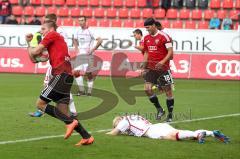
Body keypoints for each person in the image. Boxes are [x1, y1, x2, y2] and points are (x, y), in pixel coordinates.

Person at [25, 21, 94, 146]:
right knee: (63, 112)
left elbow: (34, 53)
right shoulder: (55, 42)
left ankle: (70, 122)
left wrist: (31, 43)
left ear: (51, 29)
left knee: (40, 104)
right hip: (67, 77)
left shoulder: (52, 35)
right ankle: (86, 136)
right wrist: (29, 43)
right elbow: (34, 59)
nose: (41, 31)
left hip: (60, 75)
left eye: (43, 28)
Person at [29, 14, 77, 118]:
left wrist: (32, 46)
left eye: (45, 24)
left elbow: (38, 51)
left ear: (53, 23)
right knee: (61, 91)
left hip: (59, 64)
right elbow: (42, 55)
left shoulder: (55, 33)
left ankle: (42, 108)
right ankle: (72, 116)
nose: (41, 31)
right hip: (60, 62)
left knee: (49, 87)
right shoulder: (57, 34)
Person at [106, 115, 230, 144]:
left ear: (119, 120)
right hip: (157, 126)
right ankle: (211, 133)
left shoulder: (123, 121)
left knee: (173, 136)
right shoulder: (132, 117)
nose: (116, 126)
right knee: (179, 135)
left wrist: (106, 134)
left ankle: (201, 134)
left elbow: (113, 133)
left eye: (115, 123)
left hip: (152, 131)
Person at [141, 18, 174, 122]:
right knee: (147, 89)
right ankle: (160, 109)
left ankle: (170, 115)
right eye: (145, 28)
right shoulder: (146, 38)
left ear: (154, 25)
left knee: (168, 92)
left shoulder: (164, 36)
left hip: (163, 68)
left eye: (148, 27)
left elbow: (170, 52)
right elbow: (146, 52)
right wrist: (144, 67)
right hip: (151, 68)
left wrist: (162, 62)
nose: (147, 30)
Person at [73, 16, 103, 96]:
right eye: (79, 20)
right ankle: (82, 91)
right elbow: (74, 39)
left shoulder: (90, 30)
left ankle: (89, 92)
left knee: (88, 73)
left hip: (88, 55)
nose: (80, 22)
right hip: (80, 54)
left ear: (86, 21)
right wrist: (76, 49)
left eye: (82, 20)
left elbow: (100, 40)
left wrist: (92, 50)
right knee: (75, 72)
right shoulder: (77, 30)